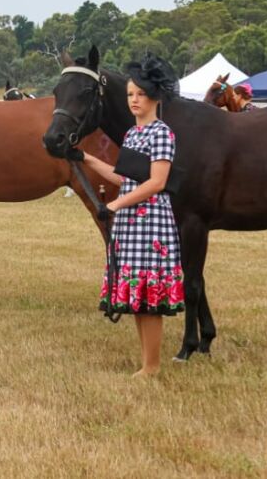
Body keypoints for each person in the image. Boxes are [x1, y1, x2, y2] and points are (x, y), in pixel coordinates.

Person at [73, 55, 185, 377]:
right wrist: (86, 158)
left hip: (151, 222)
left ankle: (151, 366)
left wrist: (115, 206)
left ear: (156, 97)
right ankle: (147, 362)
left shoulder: (161, 133)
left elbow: (157, 182)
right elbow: (125, 178)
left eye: (141, 94)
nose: (135, 100)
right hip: (131, 221)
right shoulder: (133, 135)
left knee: (150, 299)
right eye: (130, 94)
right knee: (138, 295)